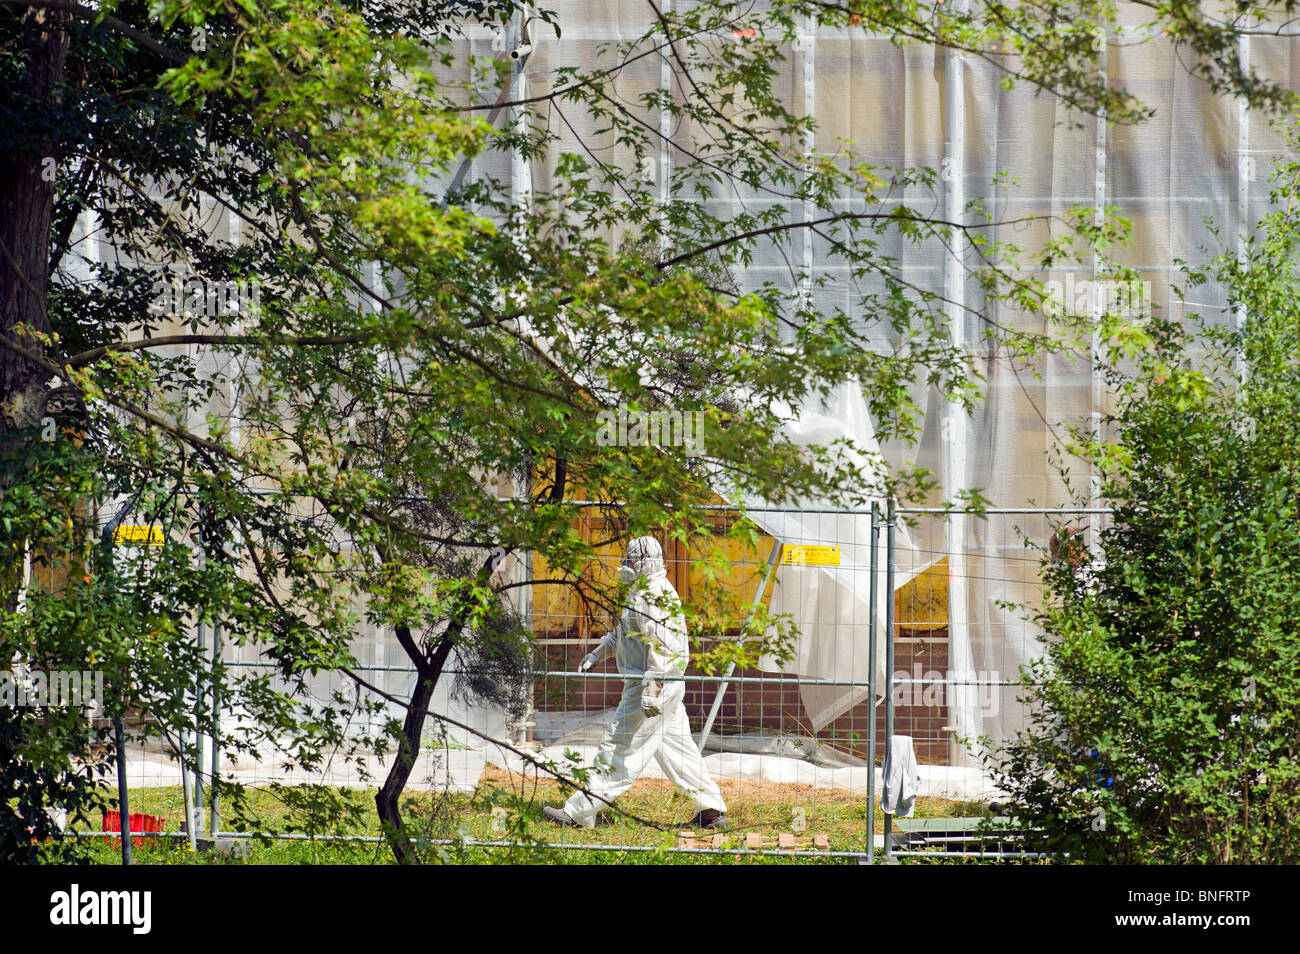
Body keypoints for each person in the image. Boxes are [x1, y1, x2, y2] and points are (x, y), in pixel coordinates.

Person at [543, 536, 729, 830]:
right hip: (655, 686)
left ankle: (579, 811)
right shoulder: (641, 593)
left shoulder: (655, 598)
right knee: (678, 751)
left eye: (628, 561)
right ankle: (711, 811)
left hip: (650, 688)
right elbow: (623, 632)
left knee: (619, 748)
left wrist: (652, 690)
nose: (623, 567)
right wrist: (598, 652)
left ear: (641, 563)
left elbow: (665, 650)